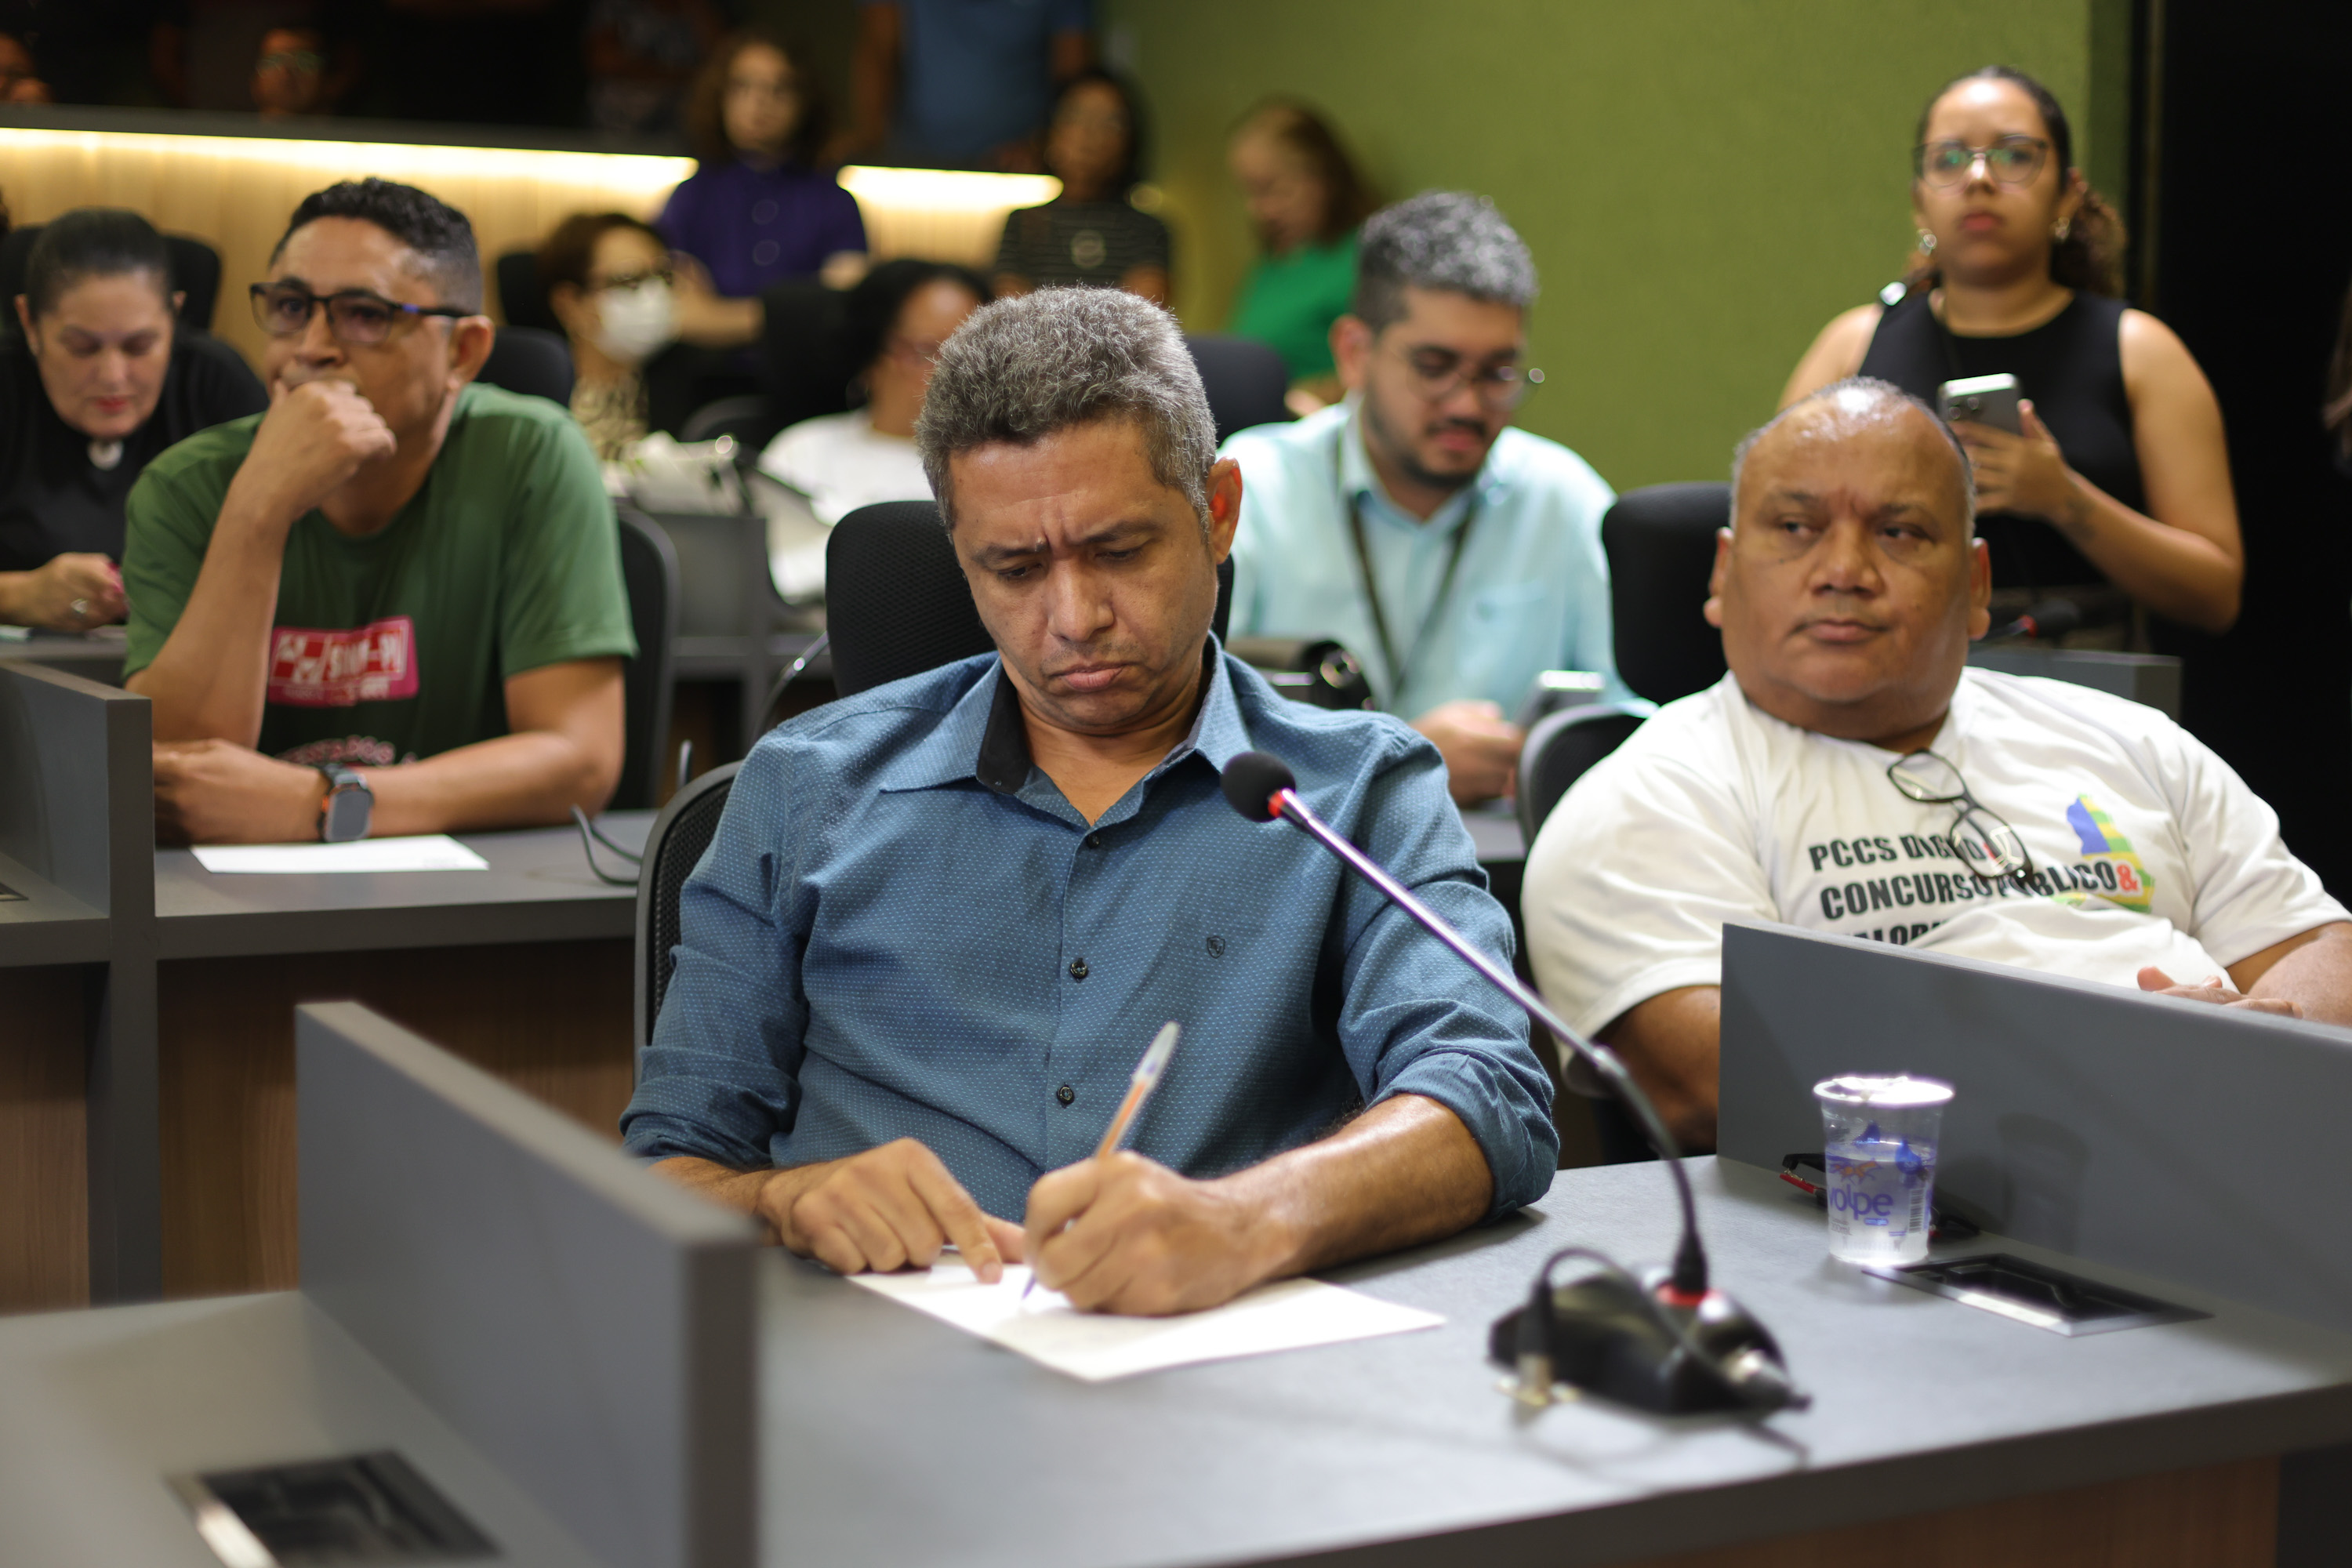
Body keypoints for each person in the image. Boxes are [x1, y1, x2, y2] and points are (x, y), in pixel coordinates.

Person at [622, 288, 1556, 1316]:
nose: (1073, 617)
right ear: (960, 553)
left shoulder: (1359, 789)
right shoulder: (807, 786)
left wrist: (1249, 1219)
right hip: (876, 1353)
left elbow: (1488, 1098)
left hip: (1217, 1344)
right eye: (1015, 568)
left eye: (1118, 551)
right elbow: (666, 1165)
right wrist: (783, 1200)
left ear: (1218, 511)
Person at [1524, 379, 2352, 1150]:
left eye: (1900, 532)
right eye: (1797, 528)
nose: (1844, 572)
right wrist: (2136, 1068)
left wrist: (2255, 1060)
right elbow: (1713, 1076)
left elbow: (2319, 945)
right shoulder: (1645, 797)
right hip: (1915, 1209)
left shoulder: (2133, 740)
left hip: (2245, 1159)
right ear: (1722, 571)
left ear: (1977, 583)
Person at [122, 178, 637, 846]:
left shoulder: (531, 454)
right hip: (226, 894)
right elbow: (174, 784)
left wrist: (324, 804)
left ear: (462, 353)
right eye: (290, 307)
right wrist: (260, 507)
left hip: (469, 889)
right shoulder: (185, 485)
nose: (311, 347)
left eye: (365, 314)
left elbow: (580, 760)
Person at [1782, 65, 2242, 639]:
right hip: (1879, 662)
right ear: (1920, 204)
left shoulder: (2141, 351)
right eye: (1949, 160)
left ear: (2068, 195)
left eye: (2015, 155)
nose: (1978, 178)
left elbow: (2216, 595)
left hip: (2077, 674)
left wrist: (2063, 499)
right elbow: (1776, 531)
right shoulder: (1850, 347)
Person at [1220, 191, 1621, 807]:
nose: (1467, 404)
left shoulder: (1563, 500)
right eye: (1435, 367)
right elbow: (1196, 728)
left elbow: (1633, 726)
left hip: (1505, 856)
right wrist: (1405, 763)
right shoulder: (1257, 490)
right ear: (1354, 354)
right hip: (1301, 844)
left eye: (1499, 373)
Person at [2, 209, 266, 631]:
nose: (113, 376)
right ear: (30, 323)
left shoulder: (217, 384)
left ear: (175, 316)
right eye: (82, 347)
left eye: (139, 346)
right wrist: (19, 595)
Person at [756, 257, 985, 522]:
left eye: (969, 352)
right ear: (870, 353)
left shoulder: (993, 466)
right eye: (926, 351)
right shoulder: (802, 453)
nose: (953, 371)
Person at [658, 32, 868, 301]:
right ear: (720, 97)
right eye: (743, 86)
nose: (760, 101)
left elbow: (843, 305)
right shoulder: (692, 197)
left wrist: (725, 317)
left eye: (780, 88)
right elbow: (673, 304)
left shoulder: (835, 203)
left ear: (805, 103)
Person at [1225, 100, 1374, 410]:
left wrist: (1301, 396)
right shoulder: (1271, 265)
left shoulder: (1364, 259)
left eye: (1271, 189)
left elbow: (1386, 371)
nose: (1258, 210)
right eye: (1249, 193)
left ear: (1321, 177)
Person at [841, 0, 1091, 172]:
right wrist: (869, 139)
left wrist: (1042, 146)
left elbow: (1072, 77)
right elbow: (877, 53)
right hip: (912, 164)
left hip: (1017, 170)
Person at [991, 69, 1168, 305]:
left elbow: (1144, 312)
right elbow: (1013, 312)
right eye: (1076, 116)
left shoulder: (1147, 230)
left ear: (1130, 143)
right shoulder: (1024, 224)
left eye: (1110, 122)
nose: (1089, 135)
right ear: (1051, 133)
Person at [538, 212, 680, 459]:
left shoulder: (687, 390)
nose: (654, 295)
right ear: (569, 305)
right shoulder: (541, 405)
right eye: (629, 280)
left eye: (662, 276)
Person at [583, 0, 726, 137]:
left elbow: (722, 60)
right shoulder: (619, 6)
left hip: (682, 125)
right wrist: (683, 76)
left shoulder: (703, 8)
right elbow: (605, 61)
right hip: (616, 123)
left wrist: (696, 7)